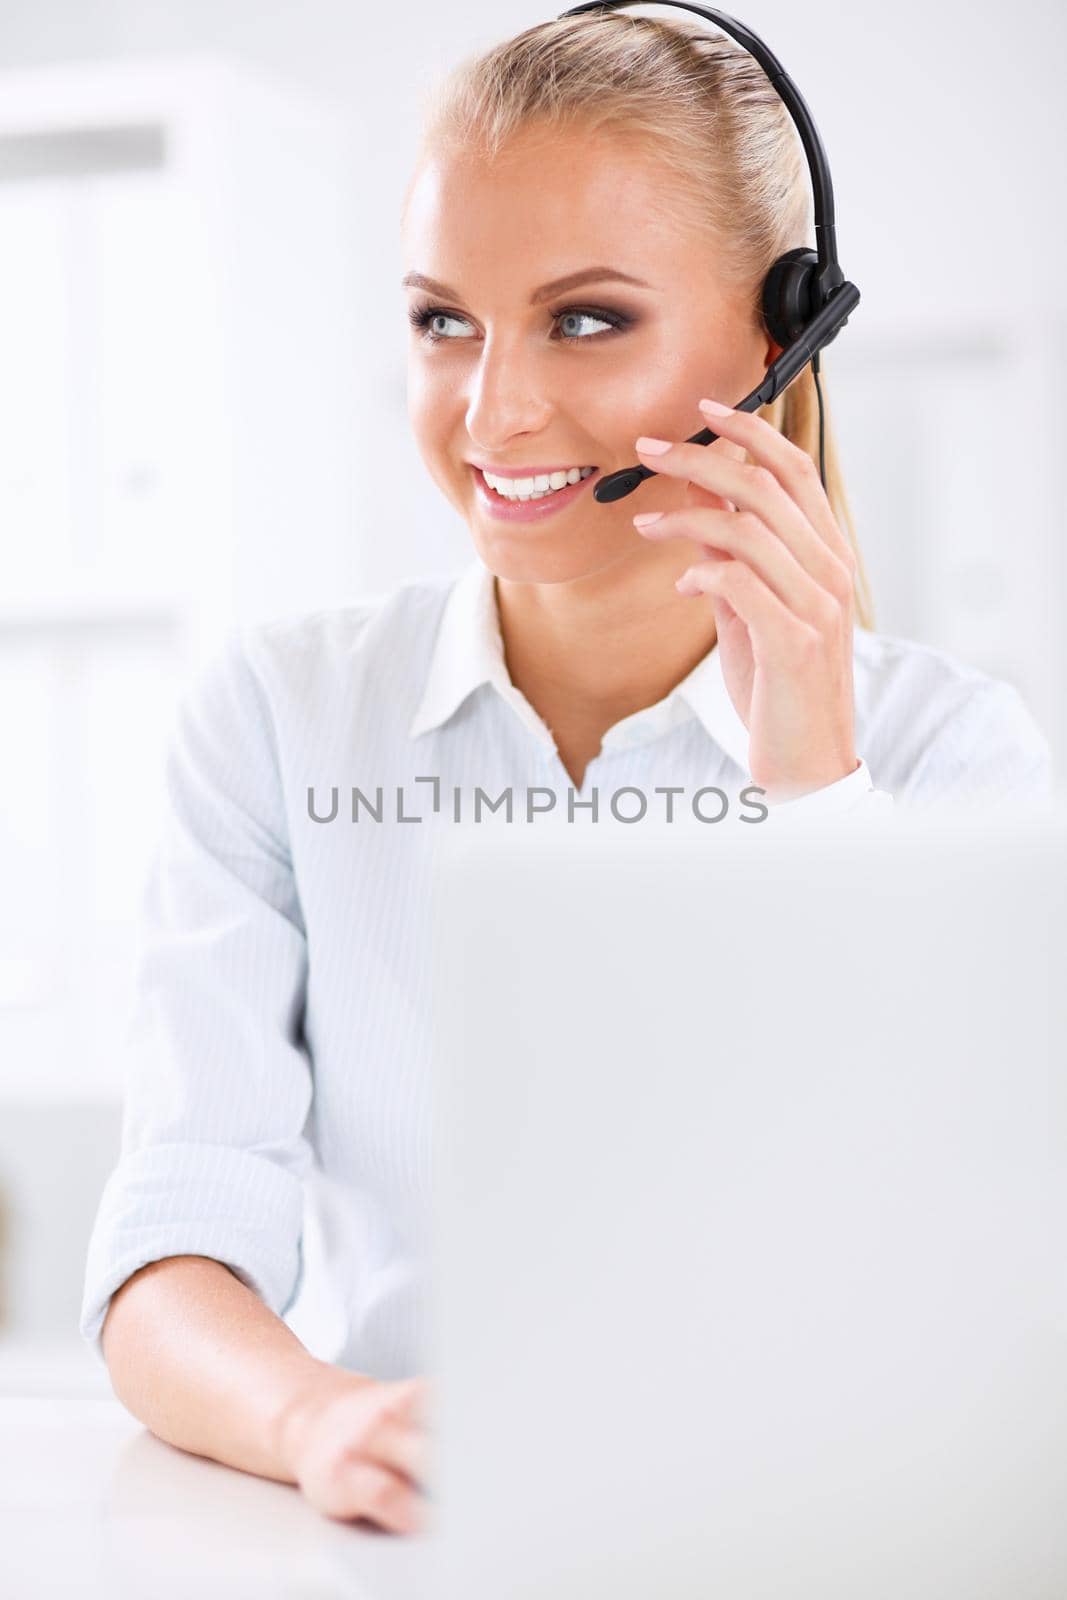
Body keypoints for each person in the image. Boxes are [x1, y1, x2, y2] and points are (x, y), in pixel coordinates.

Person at [80, 10, 1053, 1540]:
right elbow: (170, 1246)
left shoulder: (951, 757)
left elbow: (962, 1288)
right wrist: (324, 1420)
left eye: (586, 320)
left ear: (778, 335)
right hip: (408, 1544)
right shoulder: (279, 719)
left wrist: (813, 788)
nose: (494, 412)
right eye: (440, 320)